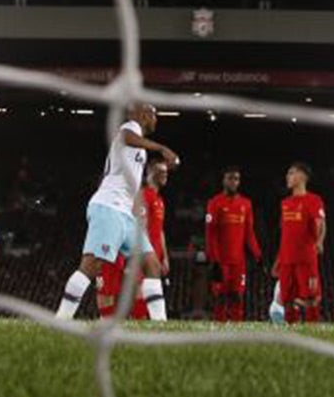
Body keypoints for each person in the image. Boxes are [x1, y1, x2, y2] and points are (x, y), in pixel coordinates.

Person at [53, 103, 177, 321]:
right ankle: (61, 319)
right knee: (91, 265)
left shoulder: (139, 146)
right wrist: (160, 148)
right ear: (143, 115)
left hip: (125, 213)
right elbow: (126, 137)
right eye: (154, 115)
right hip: (109, 207)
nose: (156, 120)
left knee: (152, 265)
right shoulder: (129, 129)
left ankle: (161, 324)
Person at [101, 153, 172, 318]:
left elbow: (160, 230)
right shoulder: (143, 195)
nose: (164, 175)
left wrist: (165, 257)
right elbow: (140, 226)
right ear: (149, 172)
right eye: (160, 171)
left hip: (154, 256)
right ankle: (136, 326)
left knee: (147, 297)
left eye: (166, 172)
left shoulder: (159, 200)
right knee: (139, 294)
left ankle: (141, 325)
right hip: (143, 254)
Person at [203, 166, 262, 321]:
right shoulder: (214, 203)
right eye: (230, 178)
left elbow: (249, 233)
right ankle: (219, 327)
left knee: (237, 296)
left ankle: (237, 328)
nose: (233, 182)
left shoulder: (246, 204)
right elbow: (210, 233)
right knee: (220, 297)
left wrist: (257, 254)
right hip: (221, 260)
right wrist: (213, 259)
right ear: (224, 181)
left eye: (236, 179)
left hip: (238, 261)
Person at [271, 161, 326, 324]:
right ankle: (292, 333)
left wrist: (320, 241)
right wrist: (278, 260)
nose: (287, 177)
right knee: (287, 300)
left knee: (311, 299)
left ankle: (312, 333)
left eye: (291, 173)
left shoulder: (314, 200)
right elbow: (285, 234)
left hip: (305, 258)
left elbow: (321, 223)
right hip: (287, 260)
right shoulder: (285, 203)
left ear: (302, 176)